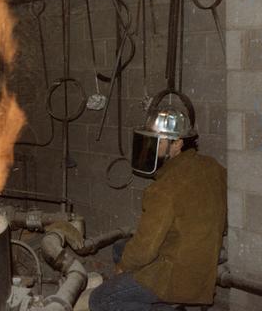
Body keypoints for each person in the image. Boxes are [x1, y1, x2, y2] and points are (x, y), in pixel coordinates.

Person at [89, 106, 227, 311]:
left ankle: (160, 303)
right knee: (121, 248)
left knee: (101, 298)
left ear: (177, 144)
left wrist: (123, 268)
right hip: (205, 259)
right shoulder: (212, 166)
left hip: (179, 272)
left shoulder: (165, 187)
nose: (149, 147)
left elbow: (145, 249)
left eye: (156, 141)